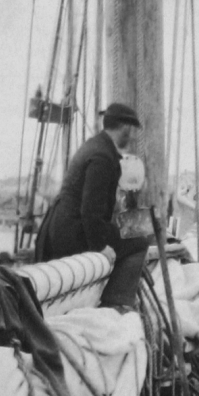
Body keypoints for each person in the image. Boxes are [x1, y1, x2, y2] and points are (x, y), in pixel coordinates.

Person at [34, 101, 149, 279]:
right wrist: (100, 248)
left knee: (136, 230)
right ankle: (117, 298)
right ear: (125, 127)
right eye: (132, 130)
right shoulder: (102, 158)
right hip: (71, 236)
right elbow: (90, 211)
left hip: (60, 230)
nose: (133, 137)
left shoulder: (96, 145)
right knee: (140, 240)